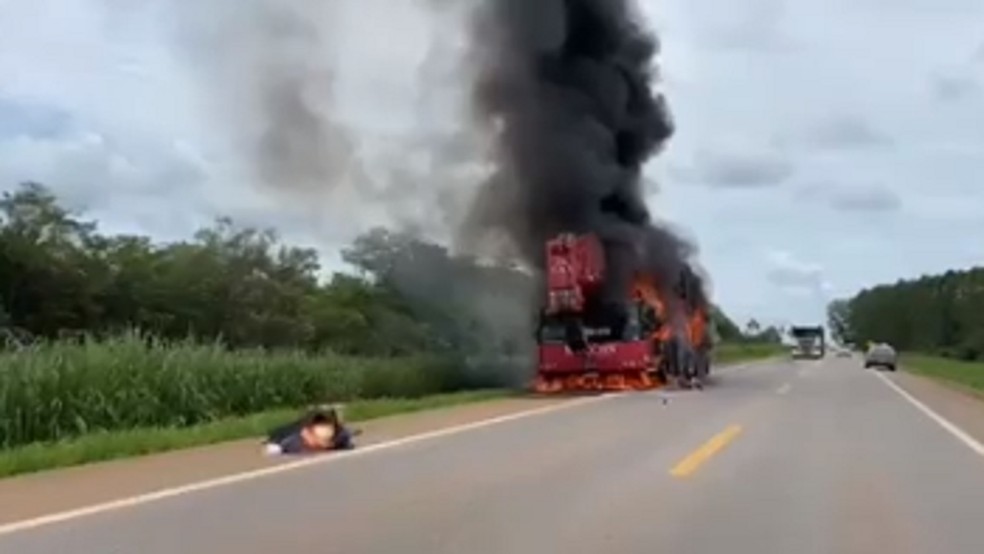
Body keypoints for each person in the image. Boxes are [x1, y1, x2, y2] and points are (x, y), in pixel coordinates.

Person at [263, 406, 359, 456]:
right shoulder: (295, 442)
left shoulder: (339, 436)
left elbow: (346, 440)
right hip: (289, 434)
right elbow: (278, 446)